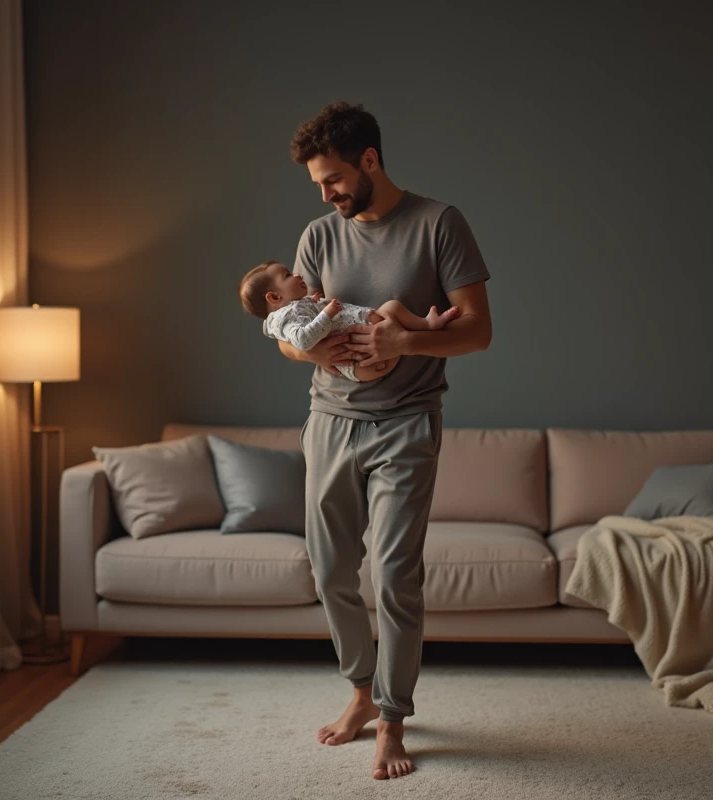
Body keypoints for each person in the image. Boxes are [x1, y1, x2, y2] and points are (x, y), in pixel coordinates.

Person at [279, 101, 492, 780]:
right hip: (330, 421)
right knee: (331, 570)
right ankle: (361, 694)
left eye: (334, 178)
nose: (326, 193)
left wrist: (405, 340)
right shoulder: (318, 235)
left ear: (370, 160)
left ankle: (393, 719)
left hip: (407, 421)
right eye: (317, 183)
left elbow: (480, 331)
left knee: (395, 573)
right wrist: (325, 355)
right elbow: (291, 335)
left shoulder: (439, 224)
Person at [239, 259, 461, 381]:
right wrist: (326, 313)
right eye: (287, 275)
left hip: (375, 351)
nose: (296, 275)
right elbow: (302, 340)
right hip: (359, 365)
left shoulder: (299, 304)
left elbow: (310, 316)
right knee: (391, 310)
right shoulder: (284, 319)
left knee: (392, 307)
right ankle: (422, 328)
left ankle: (426, 325)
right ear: (275, 297)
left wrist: (317, 304)